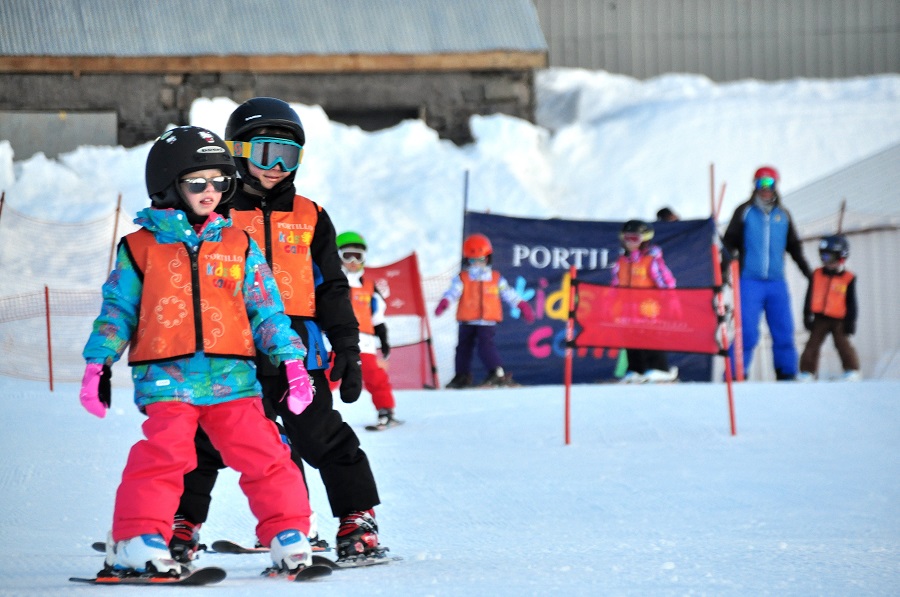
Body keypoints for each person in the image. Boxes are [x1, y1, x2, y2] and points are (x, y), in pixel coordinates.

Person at [79, 126, 316, 578]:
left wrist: (291, 362)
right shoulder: (139, 248)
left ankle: (290, 534)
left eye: (219, 182)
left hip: (232, 377)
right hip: (169, 378)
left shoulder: (238, 243)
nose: (210, 192)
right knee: (166, 456)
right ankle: (136, 539)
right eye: (197, 183)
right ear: (170, 186)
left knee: (265, 451)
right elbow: (118, 311)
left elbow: (266, 309)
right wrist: (98, 364)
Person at [172, 98, 383, 563]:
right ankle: (182, 522)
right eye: (265, 154)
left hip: (297, 353)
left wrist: (346, 344)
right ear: (238, 152)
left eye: (288, 157)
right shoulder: (215, 213)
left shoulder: (310, 216)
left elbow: (332, 287)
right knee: (208, 439)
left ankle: (357, 517)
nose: (275, 168)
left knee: (318, 436)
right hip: (231, 348)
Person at [722, 165, 812, 380]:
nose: (765, 188)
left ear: (776, 185)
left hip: (776, 282)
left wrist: (809, 274)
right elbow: (728, 244)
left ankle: (787, 373)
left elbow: (794, 247)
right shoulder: (744, 212)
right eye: (760, 183)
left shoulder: (783, 215)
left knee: (784, 330)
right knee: (749, 333)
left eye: (769, 183)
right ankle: (735, 374)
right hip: (750, 281)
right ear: (754, 185)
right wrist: (723, 269)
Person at [435, 233, 535, 388]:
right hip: (467, 320)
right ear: (467, 260)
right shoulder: (463, 278)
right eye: (473, 260)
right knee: (462, 348)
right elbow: (453, 291)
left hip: (486, 321)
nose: (477, 264)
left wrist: (521, 305)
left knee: (485, 346)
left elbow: (508, 293)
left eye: (481, 260)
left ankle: (496, 372)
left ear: (488, 258)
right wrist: (445, 301)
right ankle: (461, 375)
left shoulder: (495, 278)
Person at [335, 231, 401, 429]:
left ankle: (386, 411)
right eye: (348, 255)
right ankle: (312, 414)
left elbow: (377, 317)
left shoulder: (370, 287)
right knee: (326, 377)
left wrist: (384, 338)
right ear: (338, 256)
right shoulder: (330, 284)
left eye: (358, 256)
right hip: (334, 341)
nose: (354, 261)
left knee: (375, 377)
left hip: (364, 342)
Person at [611, 220, 679, 383]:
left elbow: (666, 282)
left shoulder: (651, 259)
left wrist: (670, 300)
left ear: (644, 239)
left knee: (650, 338)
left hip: (649, 310)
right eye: (626, 238)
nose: (629, 243)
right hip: (628, 311)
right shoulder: (621, 261)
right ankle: (635, 370)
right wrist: (613, 303)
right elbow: (615, 284)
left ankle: (660, 368)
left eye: (634, 239)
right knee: (631, 340)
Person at [797, 234, 861, 381]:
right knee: (812, 346)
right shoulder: (817, 275)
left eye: (830, 258)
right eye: (824, 257)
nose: (827, 262)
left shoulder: (848, 278)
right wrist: (807, 315)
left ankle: (852, 370)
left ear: (841, 257)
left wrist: (851, 321)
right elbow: (809, 297)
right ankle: (807, 372)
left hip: (840, 319)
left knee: (843, 345)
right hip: (820, 318)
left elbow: (852, 302)